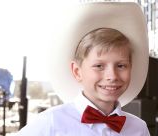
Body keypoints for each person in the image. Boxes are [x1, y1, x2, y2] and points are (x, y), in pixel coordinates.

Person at [16, 2, 150, 136]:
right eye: (99, 66)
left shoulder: (139, 128)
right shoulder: (50, 122)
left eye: (121, 66)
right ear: (77, 71)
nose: (112, 76)